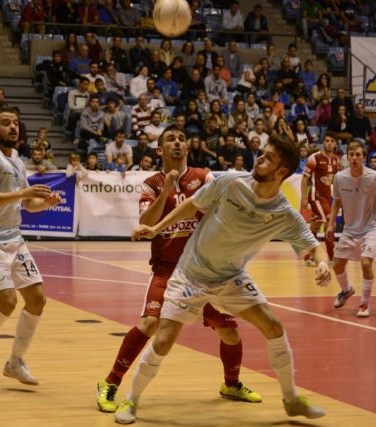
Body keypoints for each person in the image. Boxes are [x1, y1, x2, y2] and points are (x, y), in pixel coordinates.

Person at [115, 136, 331, 424]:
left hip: (230, 277)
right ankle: (130, 400)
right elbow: (191, 204)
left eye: (268, 158)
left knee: (274, 326)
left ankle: (291, 399)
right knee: (164, 340)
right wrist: (155, 228)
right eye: (262, 154)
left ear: (281, 172)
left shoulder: (284, 213)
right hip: (191, 273)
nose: (260, 160)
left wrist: (323, 264)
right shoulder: (230, 181)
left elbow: (314, 245)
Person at [97, 125, 261, 413]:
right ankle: (110, 382)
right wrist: (167, 192)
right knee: (149, 324)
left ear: (187, 148)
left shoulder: (204, 177)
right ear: (159, 150)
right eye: (170, 139)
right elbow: (146, 225)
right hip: (167, 270)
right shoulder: (151, 183)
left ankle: (231, 384)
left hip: (204, 272)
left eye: (182, 139)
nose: (177, 143)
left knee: (230, 333)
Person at [0, 106, 62, 390]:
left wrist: (46, 203)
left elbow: (27, 204)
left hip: (14, 240)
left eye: (16, 123)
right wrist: (25, 193)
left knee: (37, 299)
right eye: (6, 123)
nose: (13, 128)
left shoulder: (16, 161)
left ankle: (15, 362)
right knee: (6, 302)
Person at [326, 139, 376, 318]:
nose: (354, 158)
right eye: (351, 154)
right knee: (337, 265)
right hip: (349, 229)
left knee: (366, 263)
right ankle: (347, 290)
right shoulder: (340, 177)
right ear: (347, 157)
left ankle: (364, 304)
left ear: (364, 157)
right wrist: (331, 224)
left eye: (358, 155)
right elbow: (337, 202)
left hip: (371, 227)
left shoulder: (375, 177)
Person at [300, 131, 340, 263]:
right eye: (327, 141)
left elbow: (335, 180)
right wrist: (304, 197)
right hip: (316, 195)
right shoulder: (314, 157)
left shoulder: (336, 159)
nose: (329, 143)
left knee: (315, 226)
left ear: (335, 144)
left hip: (328, 196)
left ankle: (309, 255)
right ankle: (331, 256)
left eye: (332, 141)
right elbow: (305, 178)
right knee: (330, 223)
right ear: (323, 142)